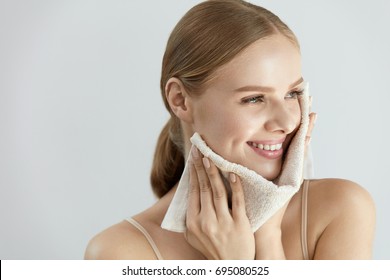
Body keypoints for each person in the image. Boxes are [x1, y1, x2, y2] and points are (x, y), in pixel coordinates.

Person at [84, 0, 375, 260]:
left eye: (291, 93)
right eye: (254, 99)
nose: (286, 122)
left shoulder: (341, 210)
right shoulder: (121, 252)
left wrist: (267, 240)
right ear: (180, 100)